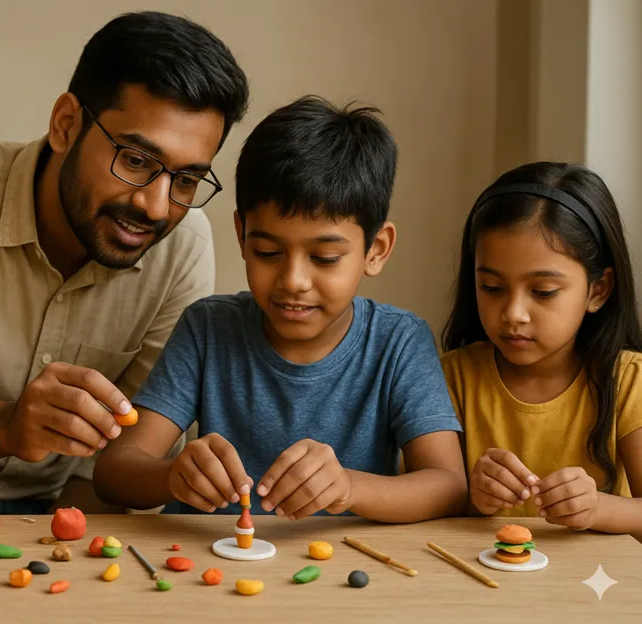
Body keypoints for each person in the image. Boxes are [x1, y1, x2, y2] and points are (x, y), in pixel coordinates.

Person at [0, 11, 249, 514]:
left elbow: (113, 461)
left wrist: (66, 547)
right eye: (137, 161)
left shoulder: (183, 245)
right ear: (66, 125)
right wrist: (5, 426)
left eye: (186, 180)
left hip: (65, 514)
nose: (156, 206)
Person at [92, 96, 468, 521]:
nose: (293, 281)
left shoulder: (398, 342)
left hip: (340, 574)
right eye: (268, 251)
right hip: (209, 569)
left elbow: (449, 486)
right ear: (241, 234)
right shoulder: (209, 327)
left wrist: (349, 486)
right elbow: (114, 472)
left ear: (375, 250)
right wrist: (172, 476)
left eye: (325, 259)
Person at [440, 162, 642, 535]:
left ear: (597, 290)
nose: (513, 314)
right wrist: (474, 498)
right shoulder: (451, 376)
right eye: (492, 288)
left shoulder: (630, 382)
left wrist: (598, 508)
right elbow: (429, 508)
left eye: (543, 292)